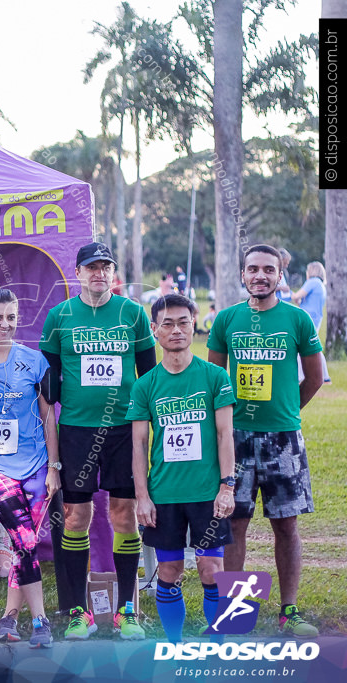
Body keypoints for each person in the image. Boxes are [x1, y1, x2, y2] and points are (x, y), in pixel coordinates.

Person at [39, 241, 156, 641]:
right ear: (78, 273)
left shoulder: (133, 314)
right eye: (91, 267)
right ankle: (77, 611)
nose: (99, 274)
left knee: (123, 515)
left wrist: (144, 429)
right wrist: (53, 458)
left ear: (113, 273)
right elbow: (48, 386)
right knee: (75, 518)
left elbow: (149, 377)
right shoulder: (59, 316)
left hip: (123, 430)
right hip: (77, 430)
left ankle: (127, 610)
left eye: (105, 267)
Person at [207, 244, 324, 638]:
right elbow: (214, 381)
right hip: (235, 438)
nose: (260, 275)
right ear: (243, 275)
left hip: (283, 439)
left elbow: (313, 377)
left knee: (286, 525)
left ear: (279, 276)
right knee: (235, 523)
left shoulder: (297, 319)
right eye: (253, 269)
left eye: (268, 270)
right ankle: (236, 614)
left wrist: (287, 412)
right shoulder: (226, 320)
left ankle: (289, 612)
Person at [127, 294, 236, 643]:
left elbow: (225, 435)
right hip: (165, 494)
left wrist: (227, 486)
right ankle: (174, 643)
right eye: (168, 324)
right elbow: (139, 445)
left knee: (211, 569)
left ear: (195, 325)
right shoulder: (144, 385)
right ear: (156, 330)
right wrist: (142, 497)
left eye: (184, 322)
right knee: (170, 570)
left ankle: (218, 642)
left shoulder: (215, 377)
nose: (176, 330)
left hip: (207, 492)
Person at [0, 284, 60, 648]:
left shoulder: (34, 360)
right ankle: (41, 621)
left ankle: (9, 617)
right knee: (24, 539)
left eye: (11, 318)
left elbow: (48, 416)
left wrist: (54, 466)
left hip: (36, 465)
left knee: (25, 544)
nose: (5, 325)